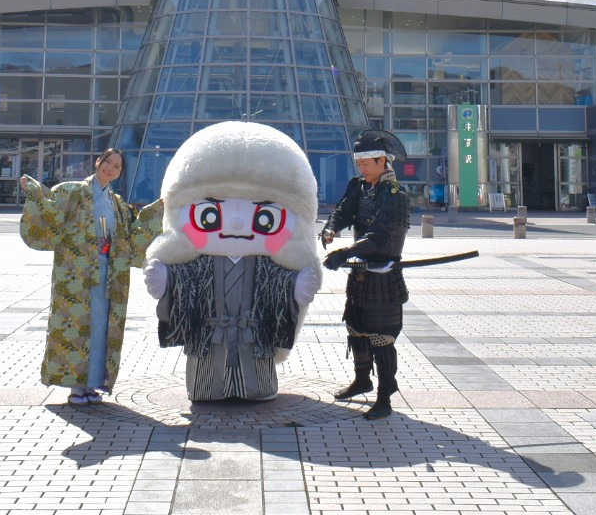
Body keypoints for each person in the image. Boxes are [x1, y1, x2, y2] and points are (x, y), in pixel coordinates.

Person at [143, 121, 323, 402]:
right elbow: (187, 278)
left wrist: (293, 285)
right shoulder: (201, 261)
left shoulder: (264, 264)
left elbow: (276, 283)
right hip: (210, 334)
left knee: (254, 371)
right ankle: (207, 389)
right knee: (208, 375)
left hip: (252, 334)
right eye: (209, 214)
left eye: (265, 218)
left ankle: (256, 389)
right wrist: (169, 279)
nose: (237, 223)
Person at [21, 149, 163, 406]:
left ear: (120, 173)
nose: (110, 168)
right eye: (107, 162)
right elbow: (50, 208)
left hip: (108, 273)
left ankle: (92, 383)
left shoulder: (117, 202)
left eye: (117, 166)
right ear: (98, 162)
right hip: (76, 274)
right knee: (75, 326)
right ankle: (75, 386)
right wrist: (34, 190)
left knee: (100, 328)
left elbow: (133, 232)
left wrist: (161, 208)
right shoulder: (74, 191)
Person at [322, 129, 412, 420]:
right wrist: (330, 228)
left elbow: (380, 236)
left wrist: (344, 253)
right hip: (360, 274)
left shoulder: (395, 195)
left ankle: (385, 397)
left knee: (381, 338)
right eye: (358, 163)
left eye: (365, 163)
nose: (361, 168)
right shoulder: (358, 187)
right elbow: (343, 212)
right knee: (356, 328)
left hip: (384, 276)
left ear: (381, 161)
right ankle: (362, 380)